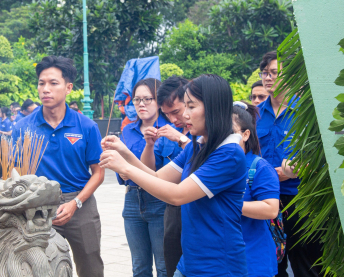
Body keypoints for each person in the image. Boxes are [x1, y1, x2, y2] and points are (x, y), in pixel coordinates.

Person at [100, 74, 248, 276]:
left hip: (218, 265)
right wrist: (124, 153)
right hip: (190, 261)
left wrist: (125, 169)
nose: (184, 116)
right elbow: (158, 177)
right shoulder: (197, 146)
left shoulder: (229, 153)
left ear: (214, 107)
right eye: (184, 107)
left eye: (191, 106)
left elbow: (177, 195)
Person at [12, 56, 104, 277]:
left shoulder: (86, 126)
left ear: (68, 87)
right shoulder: (23, 128)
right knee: (40, 267)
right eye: (41, 83)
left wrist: (76, 203)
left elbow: (99, 173)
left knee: (91, 266)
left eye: (53, 83)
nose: (45, 89)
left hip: (80, 204)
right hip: (38, 206)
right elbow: (14, 172)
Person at [256, 51, 323, 277]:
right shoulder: (255, 114)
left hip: (300, 200)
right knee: (273, 265)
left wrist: (299, 169)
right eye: (264, 73)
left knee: (307, 262)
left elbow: (322, 157)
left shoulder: (307, 113)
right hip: (266, 199)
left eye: (274, 72)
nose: (268, 77)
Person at [114, 78, 169, 277]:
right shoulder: (128, 129)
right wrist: (120, 170)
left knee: (164, 266)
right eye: (137, 100)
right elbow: (121, 165)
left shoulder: (169, 129)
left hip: (160, 200)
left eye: (148, 99)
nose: (141, 104)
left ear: (159, 101)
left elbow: (161, 173)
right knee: (139, 267)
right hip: (132, 199)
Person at [140, 75, 191, 277]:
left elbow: (201, 157)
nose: (174, 120)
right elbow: (156, 176)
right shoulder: (170, 133)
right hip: (174, 213)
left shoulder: (203, 137)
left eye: (176, 112)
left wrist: (180, 138)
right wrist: (125, 157)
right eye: (167, 114)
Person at [233, 101, 280, 277]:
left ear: (245, 134)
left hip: (253, 260)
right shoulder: (213, 166)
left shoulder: (259, 167)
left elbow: (270, 209)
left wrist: (228, 203)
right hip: (220, 260)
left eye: (231, 133)